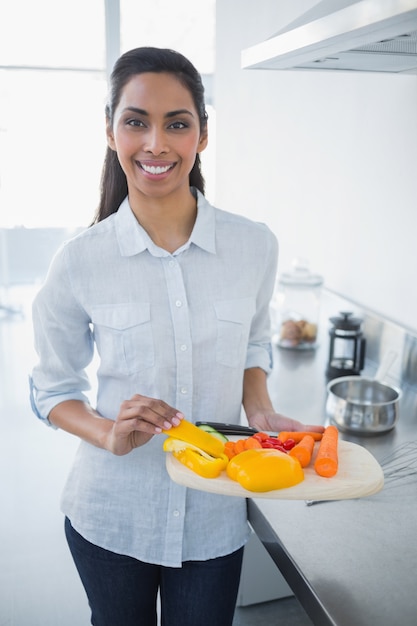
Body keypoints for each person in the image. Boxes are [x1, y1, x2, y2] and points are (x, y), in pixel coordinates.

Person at [30, 46, 324, 626]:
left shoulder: (254, 246)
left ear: (203, 136)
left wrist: (258, 408)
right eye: (135, 122)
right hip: (111, 515)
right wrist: (108, 433)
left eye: (177, 123)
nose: (156, 144)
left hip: (214, 516)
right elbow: (51, 390)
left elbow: (254, 341)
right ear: (111, 134)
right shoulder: (79, 261)